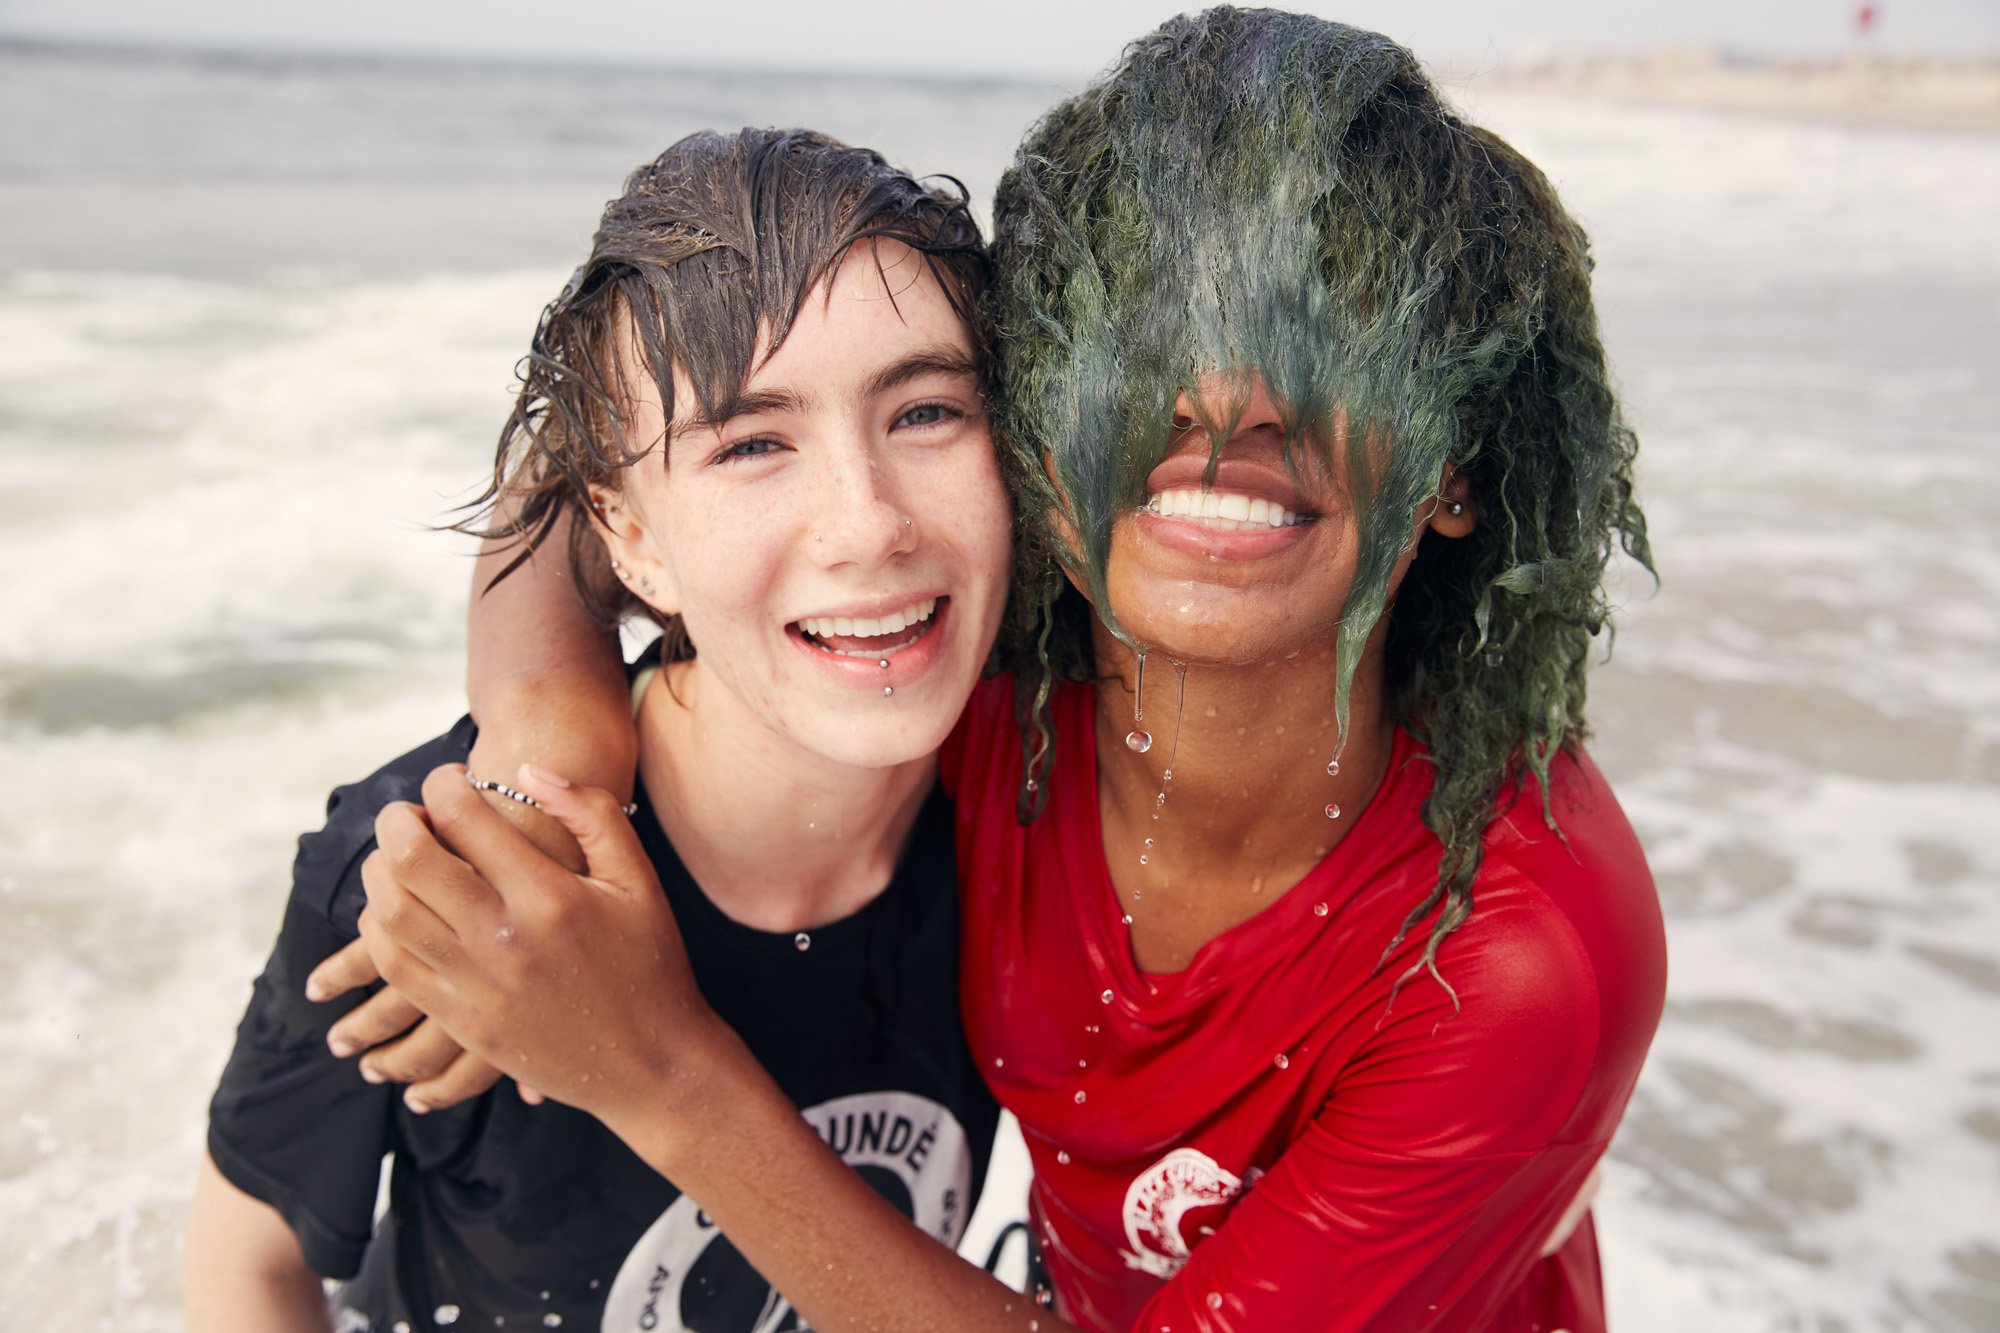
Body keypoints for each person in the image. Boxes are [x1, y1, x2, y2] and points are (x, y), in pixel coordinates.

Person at [351, 9, 1667, 1330]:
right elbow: (576, 485)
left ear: (1455, 471)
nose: (1225, 401)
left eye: (1336, 330)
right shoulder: (998, 694)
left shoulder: (1512, 949)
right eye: (1148, 328)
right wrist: (548, 765)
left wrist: (656, 1072)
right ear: (1038, 424)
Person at [182, 127, 1013, 1332]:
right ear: (626, 540)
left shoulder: (1045, 829)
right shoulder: (441, 859)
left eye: (927, 410)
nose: (866, 524)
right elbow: (249, 1270)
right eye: (751, 443)